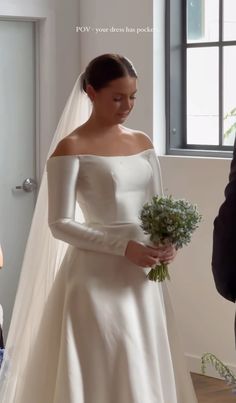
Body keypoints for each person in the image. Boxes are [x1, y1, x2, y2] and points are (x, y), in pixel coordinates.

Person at [0, 54, 197, 402]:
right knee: (101, 363)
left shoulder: (143, 143)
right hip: (94, 278)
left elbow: (158, 207)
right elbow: (59, 224)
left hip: (143, 277)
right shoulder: (70, 147)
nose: (127, 106)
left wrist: (168, 244)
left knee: (142, 360)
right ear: (91, 92)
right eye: (117, 97)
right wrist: (124, 247)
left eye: (133, 96)